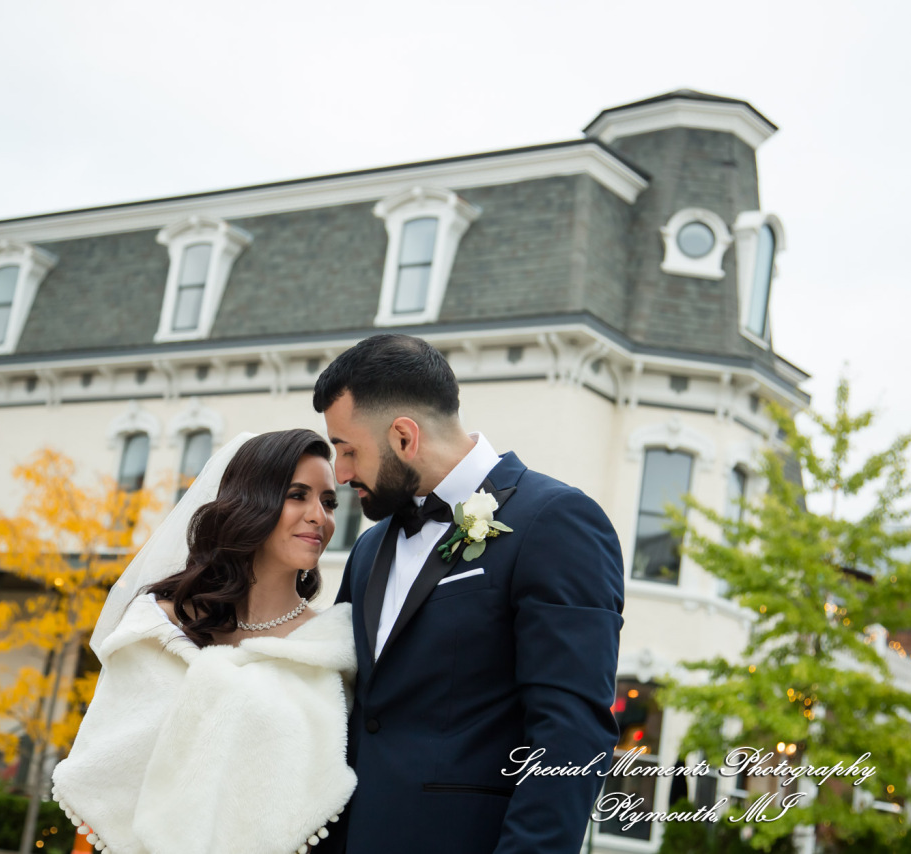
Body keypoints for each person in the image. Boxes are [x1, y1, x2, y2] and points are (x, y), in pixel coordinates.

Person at [312, 334, 625, 854]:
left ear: (404, 437)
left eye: (348, 450)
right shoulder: (369, 550)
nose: (341, 473)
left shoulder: (554, 522)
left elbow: (570, 735)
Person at [51, 429, 356, 854]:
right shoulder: (155, 630)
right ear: (252, 501)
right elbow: (104, 787)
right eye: (297, 495)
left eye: (328, 501)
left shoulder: (332, 648)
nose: (318, 516)